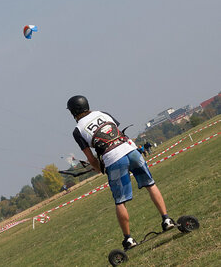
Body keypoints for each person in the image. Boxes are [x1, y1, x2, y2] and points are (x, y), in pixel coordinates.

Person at [66, 95, 176, 250]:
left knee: (120, 201)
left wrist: (99, 169)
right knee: (150, 184)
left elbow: (90, 158)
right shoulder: (102, 113)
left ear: (73, 112)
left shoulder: (77, 131)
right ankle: (167, 220)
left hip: (113, 159)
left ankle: (129, 239)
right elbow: (118, 132)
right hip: (131, 151)